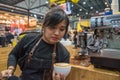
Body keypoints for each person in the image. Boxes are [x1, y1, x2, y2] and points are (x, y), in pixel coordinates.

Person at [0, 7, 70, 80]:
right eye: (52, 27)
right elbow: (13, 54)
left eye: (61, 29)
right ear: (44, 26)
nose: (57, 33)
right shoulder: (28, 39)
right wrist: (10, 69)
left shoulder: (64, 54)